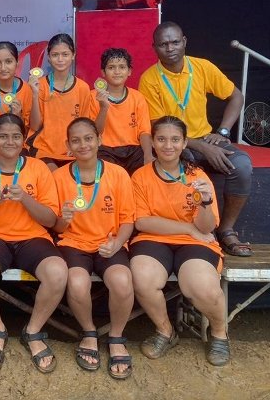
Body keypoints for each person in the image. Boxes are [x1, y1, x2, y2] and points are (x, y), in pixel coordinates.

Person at [138, 22, 253, 256]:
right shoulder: (149, 79)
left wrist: (222, 132)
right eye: (163, 44)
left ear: (184, 42)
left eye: (175, 42)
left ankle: (226, 230)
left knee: (241, 166)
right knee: (185, 162)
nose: (170, 48)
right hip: (173, 143)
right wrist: (200, 147)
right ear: (154, 48)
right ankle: (190, 229)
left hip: (205, 138)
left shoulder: (202, 67)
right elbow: (158, 127)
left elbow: (236, 97)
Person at [0, 113, 67, 374]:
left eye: (15, 136)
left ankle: (33, 331)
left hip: (32, 236)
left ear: (24, 140)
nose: (9, 142)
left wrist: (26, 200)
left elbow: (50, 220)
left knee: (57, 272)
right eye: (2, 136)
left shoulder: (38, 168)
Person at [130, 116, 229, 366]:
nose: (168, 145)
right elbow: (142, 222)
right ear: (153, 142)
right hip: (153, 238)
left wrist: (205, 202)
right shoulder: (140, 176)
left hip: (196, 242)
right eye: (161, 139)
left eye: (175, 139)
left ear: (184, 143)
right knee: (142, 277)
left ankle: (219, 333)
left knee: (202, 286)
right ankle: (165, 331)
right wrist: (187, 228)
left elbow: (206, 227)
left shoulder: (198, 176)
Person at [52, 117, 135, 379]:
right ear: (68, 145)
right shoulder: (58, 177)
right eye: (76, 141)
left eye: (88, 138)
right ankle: (89, 333)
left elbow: (128, 220)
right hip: (73, 243)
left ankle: (116, 336)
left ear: (99, 140)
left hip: (109, 242)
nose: (83, 145)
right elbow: (56, 227)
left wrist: (117, 243)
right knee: (77, 283)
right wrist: (63, 220)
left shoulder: (118, 174)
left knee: (122, 281)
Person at [31, 33, 92, 171]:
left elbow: (83, 125)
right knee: (56, 176)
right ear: (48, 57)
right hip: (44, 149)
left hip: (73, 150)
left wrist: (75, 146)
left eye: (65, 54)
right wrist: (34, 94)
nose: (60, 59)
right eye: (55, 55)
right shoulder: (40, 85)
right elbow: (35, 125)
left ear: (73, 55)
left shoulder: (82, 88)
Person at [90, 47, 153, 174]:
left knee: (143, 174)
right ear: (103, 72)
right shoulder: (93, 96)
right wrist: (104, 108)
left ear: (129, 71)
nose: (117, 72)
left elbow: (144, 132)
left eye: (122, 67)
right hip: (105, 149)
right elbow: (95, 132)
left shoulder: (137, 97)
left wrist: (148, 155)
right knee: (110, 176)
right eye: (111, 67)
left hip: (134, 150)